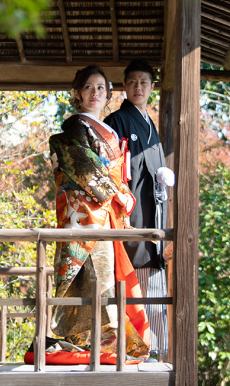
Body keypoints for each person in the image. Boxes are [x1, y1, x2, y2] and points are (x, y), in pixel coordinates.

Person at [47, 65, 151, 363]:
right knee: (93, 276)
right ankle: (93, 341)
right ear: (78, 94)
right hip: (87, 214)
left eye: (101, 88)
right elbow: (83, 167)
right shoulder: (74, 128)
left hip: (106, 214)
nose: (95, 93)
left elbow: (116, 171)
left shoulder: (106, 129)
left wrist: (121, 194)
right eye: (88, 87)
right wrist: (116, 192)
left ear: (108, 95)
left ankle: (105, 341)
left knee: (107, 277)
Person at [104, 59, 174, 358]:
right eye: (132, 81)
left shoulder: (149, 124)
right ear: (124, 85)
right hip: (130, 214)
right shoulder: (117, 120)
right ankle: (135, 349)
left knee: (153, 277)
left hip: (153, 213)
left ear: (152, 87)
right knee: (131, 278)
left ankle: (154, 347)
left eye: (144, 82)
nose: (138, 87)